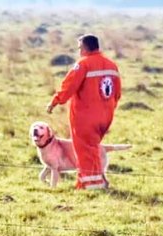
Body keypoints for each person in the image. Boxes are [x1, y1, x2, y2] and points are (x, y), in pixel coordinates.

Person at [47, 34, 121, 190]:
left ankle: (88, 184)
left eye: (80, 47)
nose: (79, 51)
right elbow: (117, 93)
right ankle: (98, 182)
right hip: (105, 116)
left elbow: (68, 86)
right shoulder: (112, 65)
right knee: (93, 148)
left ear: (86, 47)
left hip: (86, 117)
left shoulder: (83, 64)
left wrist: (55, 101)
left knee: (84, 149)